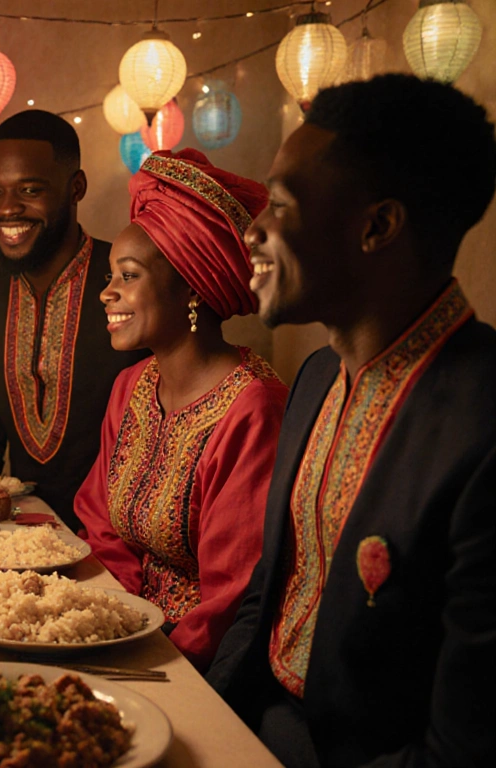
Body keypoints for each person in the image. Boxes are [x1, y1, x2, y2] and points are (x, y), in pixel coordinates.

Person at [207, 74, 496, 767]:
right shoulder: (313, 379)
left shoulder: (483, 427)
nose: (253, 231)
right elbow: (267, 602)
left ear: (377, 227)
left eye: (278, 204)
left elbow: (465, 751)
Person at [74, 149, 287, 672]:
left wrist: (149, 657)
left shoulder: (252, 408)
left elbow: (233, 595)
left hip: (199, 663)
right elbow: (101, 526)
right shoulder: (131, 388)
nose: (107, 293)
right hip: (116, 633)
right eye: (110, 276)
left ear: (191, 283)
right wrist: (106, 621)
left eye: (128, 276)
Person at [0, 110, 148, 526]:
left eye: (29, 189)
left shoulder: (130, 286)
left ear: (76, 188)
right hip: (19, 543)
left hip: (122, 542)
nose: (6, 209)